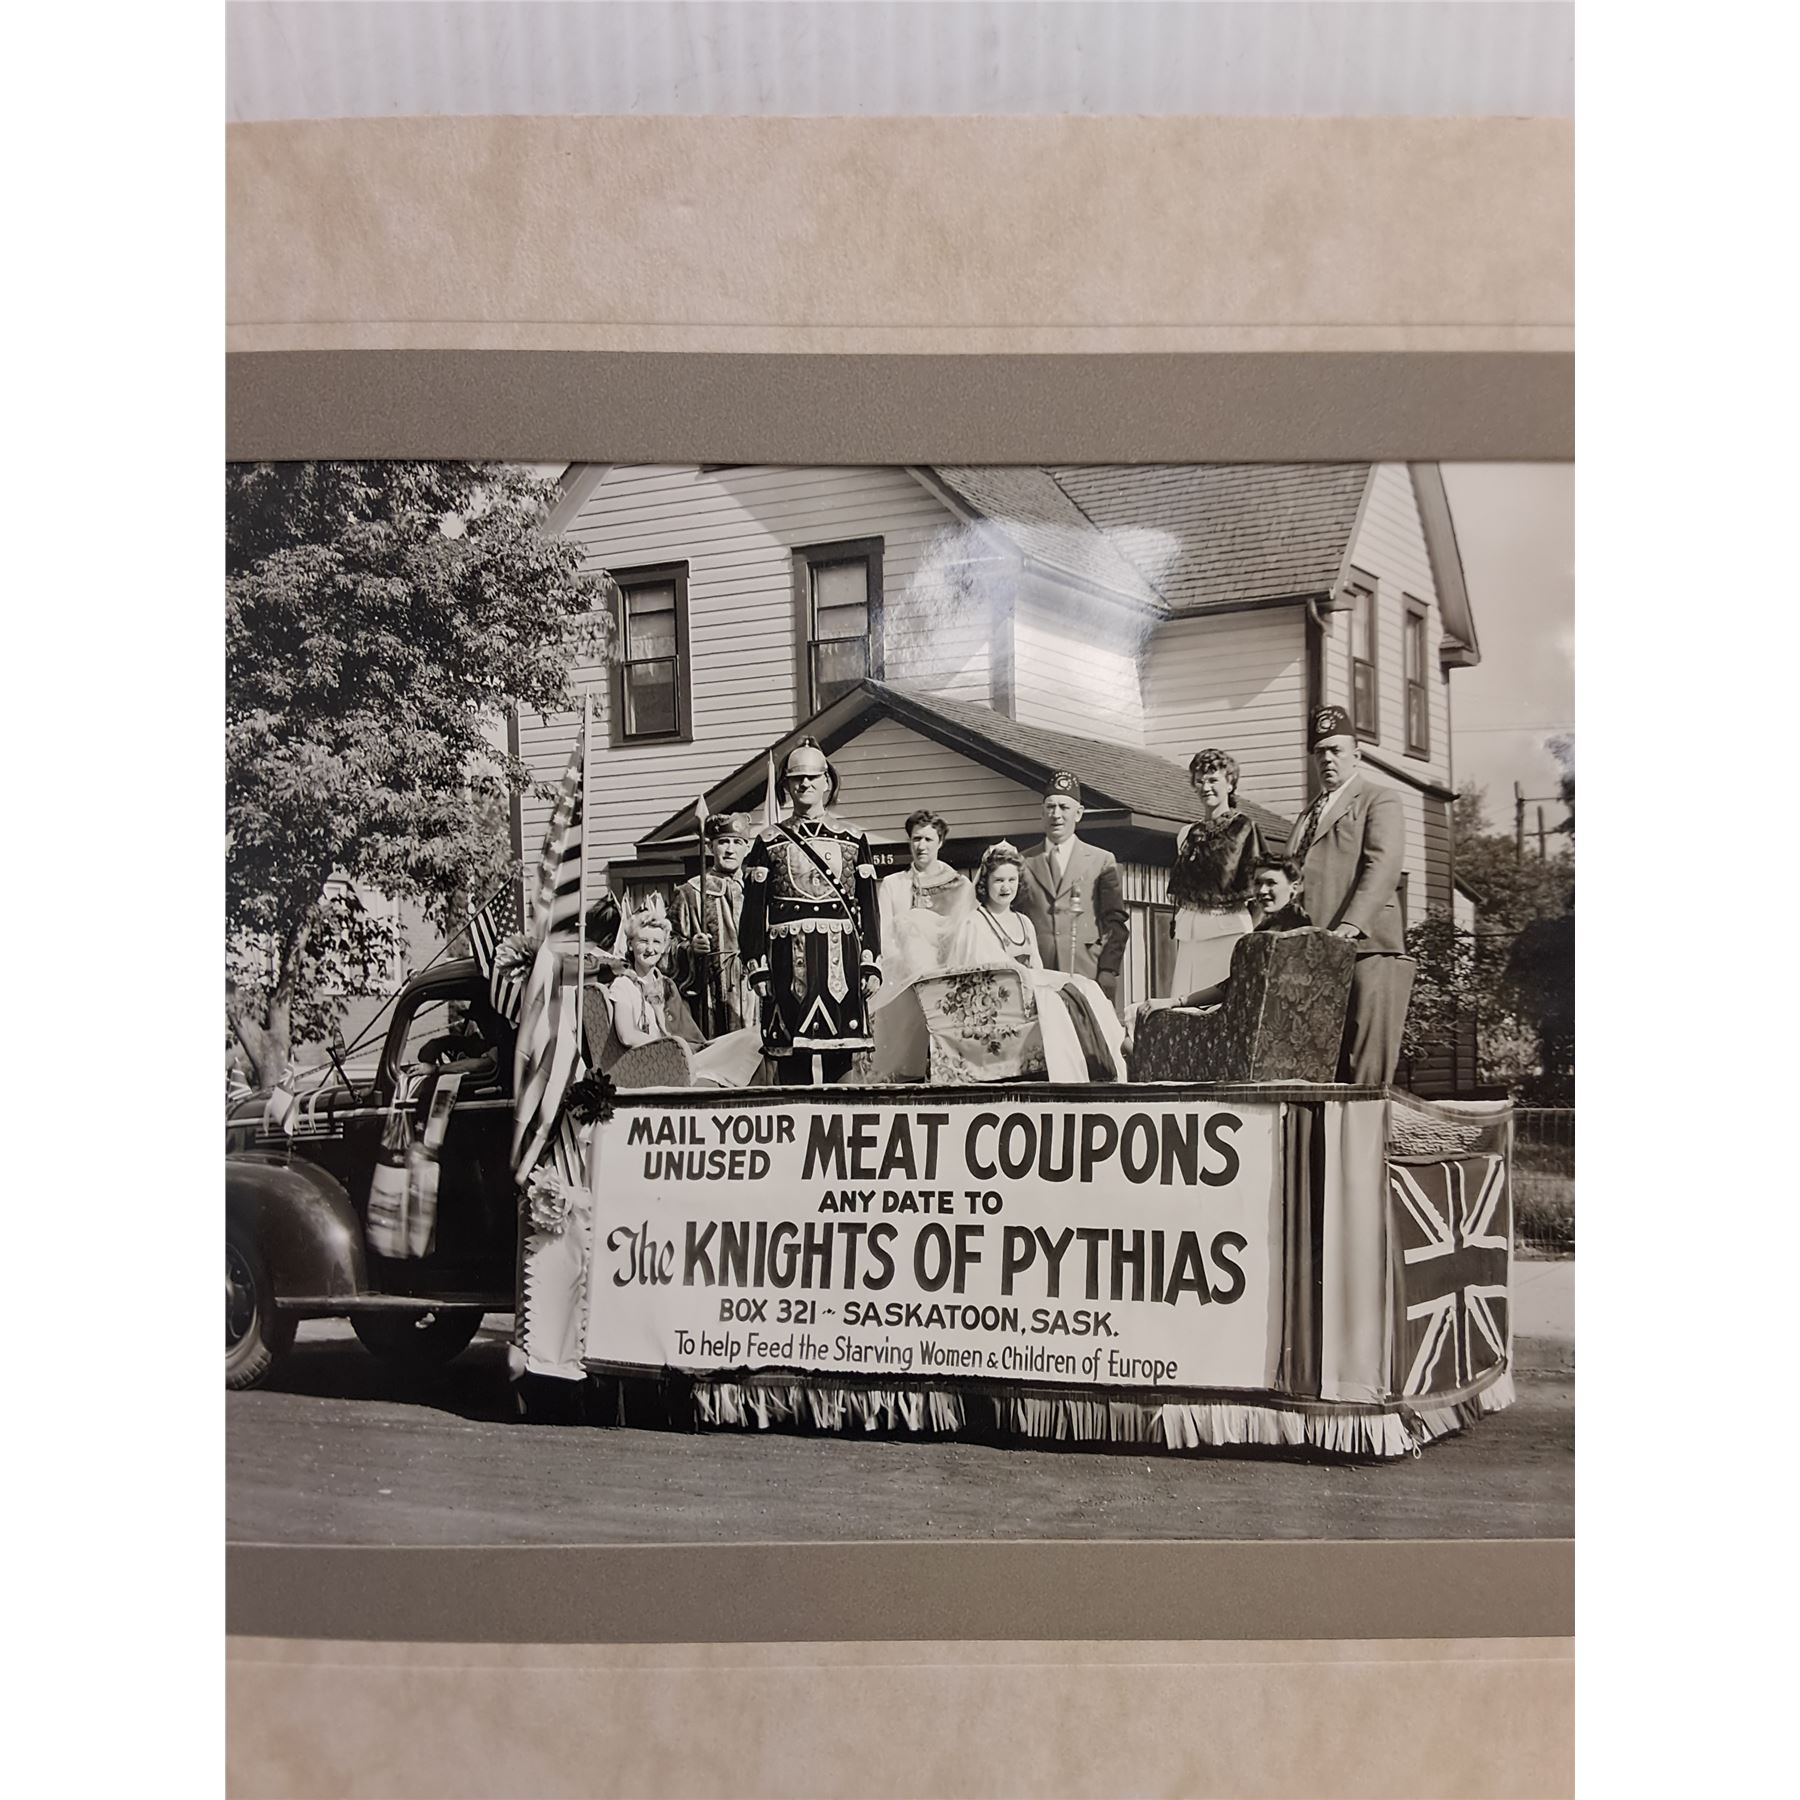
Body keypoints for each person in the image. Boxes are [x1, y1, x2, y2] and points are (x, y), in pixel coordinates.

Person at [738, 737, 882, 1084]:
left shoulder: (853, 839)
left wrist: (871, 961)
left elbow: (869, 908)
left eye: (812, 777)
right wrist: (757, 966)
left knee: (841, 1057)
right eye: (796, 778)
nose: (804, 784)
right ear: (787, 785)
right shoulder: (768, 841)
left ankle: (845, 1119)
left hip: (841, 962)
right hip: (787, 964)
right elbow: (753, 913)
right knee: (791, 1060)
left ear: (826, 782)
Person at [1288, 705, 1410, 1084]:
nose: (1327, 759)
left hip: (1366, 947)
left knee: (1367, 1067)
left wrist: (1352, 925)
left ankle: (1367, 1128)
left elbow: (1383, 866)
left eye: (1336, 750)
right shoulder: (1307, 816)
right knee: (1323, 1060)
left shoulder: (1378, 799)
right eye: (1320, 751)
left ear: (1356, 755)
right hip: (1317, 953)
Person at [938, 841, 1128, 1081]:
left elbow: (1036, 967)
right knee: (1055, 1002)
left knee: (1085, 986)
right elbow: (981, 974)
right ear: (985, 883)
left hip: (1027, 991)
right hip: (1001, 1001)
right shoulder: (975, 923)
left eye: (1012, 880)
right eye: (998, 880)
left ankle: (1107, 1056)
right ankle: (1069, 1076)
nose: (1006, 887)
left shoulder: (1024, 921)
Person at [605, 898, 764, 1087]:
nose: (650, 949)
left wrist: (697, 1047)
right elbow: (627, 1035)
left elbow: (689, 1035)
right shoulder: (623, 985)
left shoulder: (665, 985)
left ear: (664, 946)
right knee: (750, 1045)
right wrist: (670, 1045)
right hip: (660, 1061)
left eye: (657, 942)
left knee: (755, 1037)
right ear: (630, 944)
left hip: (681, 1054)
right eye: (643, 941)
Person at [1017, 772, 1130, 1010]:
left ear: (1078, 813)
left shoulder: (1101, 860)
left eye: (1064, 807)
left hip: (1087, 973)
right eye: (1050, 807)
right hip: (1038, 975)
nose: (1056, 814)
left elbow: (1115, 922)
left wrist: (1108, 969)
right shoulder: (1022, 862)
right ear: (1042, 812)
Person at [1165, 748, 1265, 1003]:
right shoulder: (1186, 834)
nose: (1205, 787)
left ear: (1230, 784)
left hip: (1228, 935)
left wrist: (1251, 942)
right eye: (1199, 781)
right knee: (1184, 1008)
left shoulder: (1245, 828)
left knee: (1219, 1008)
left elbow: (1260, 892)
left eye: (1213, 780)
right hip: (1190, 939)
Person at [674, 812, 755, 1036]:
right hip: (712, 992)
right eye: (723, 842)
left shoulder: (757, 889)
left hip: (754, 991)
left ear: (746, 848)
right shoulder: (690, 892)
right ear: (710, 847)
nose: (730, 849)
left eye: (737, 842)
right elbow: (666, 943)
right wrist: (690, 948)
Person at [876, 808, 974, 989]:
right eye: (916, 839)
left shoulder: (961, 885)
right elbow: (885, 937)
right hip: (905, 980)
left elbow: (968, 936)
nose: (921, 846)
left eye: (928, 839)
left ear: (940, 842)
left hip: (953, 978)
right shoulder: (893, 884)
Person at [1251, 857, 1312, 933]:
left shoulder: (1300, 927)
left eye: (1271, 883)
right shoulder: (1266, 925)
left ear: (1294, 888)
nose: (1261, 891)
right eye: (1257, 883)